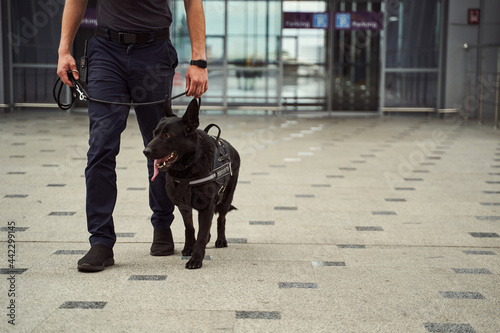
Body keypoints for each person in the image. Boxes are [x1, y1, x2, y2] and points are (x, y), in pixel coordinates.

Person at [57, 0, 208, 272]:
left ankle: (162, 223)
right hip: (106, 51)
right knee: (101, 146)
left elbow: (192, 3)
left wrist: (198, 59)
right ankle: (101, 241)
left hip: (154, 51)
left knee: (163, 146)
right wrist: (64, 50)